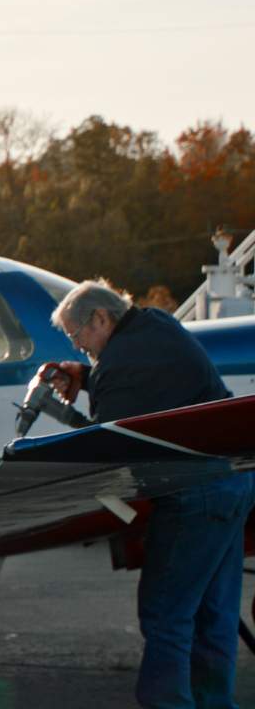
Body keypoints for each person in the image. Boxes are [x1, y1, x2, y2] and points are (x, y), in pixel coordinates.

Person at [44, 279, 253, 708]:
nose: (77, 344)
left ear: (101, 319)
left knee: (166, 614)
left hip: (194, 495)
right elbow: (150, 379)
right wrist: (85, 377)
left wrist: (66, 411)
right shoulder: (155, 323)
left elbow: (109, 445)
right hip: (234, 483)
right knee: (215, 614)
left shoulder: (120, 366)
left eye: (76, 334)